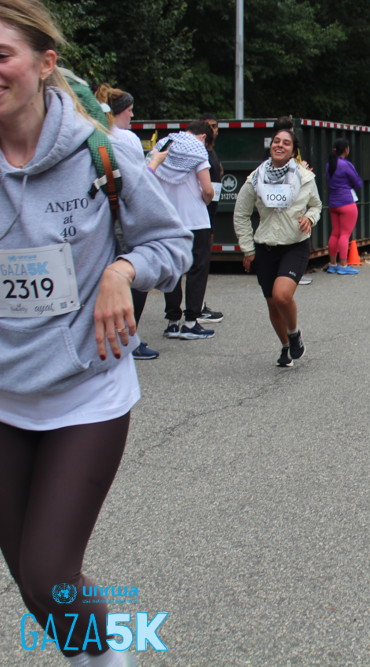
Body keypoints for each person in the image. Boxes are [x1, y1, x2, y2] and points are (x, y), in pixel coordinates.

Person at [0, 2, 192, 665]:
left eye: (2, 55)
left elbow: (172, 243)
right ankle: (93, 657)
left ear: (44, 63)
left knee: (49, 572)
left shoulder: (99, 153)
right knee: (33, 585)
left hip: (86, 391)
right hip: (4, 395)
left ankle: (110, 656)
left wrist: (122, 269)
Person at [233, 128, 321, 367]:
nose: (280, 145)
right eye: (276, 141)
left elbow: (316, 205)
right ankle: (285, 347)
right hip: (265, 247)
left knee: (282, 296)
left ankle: (294, 333)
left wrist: (310, 218)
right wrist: (248, 248)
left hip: (295, 245)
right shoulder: (255, 178)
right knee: (272, 303)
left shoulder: (305, 177)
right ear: (271, 146)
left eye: (286, 143)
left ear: (293, 151)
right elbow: (241, 214)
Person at [94, 83, 160, 361]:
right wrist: (156, 160)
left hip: (98, 221)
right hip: (124, 216)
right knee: (135, 279)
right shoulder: (126, 139)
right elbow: (140, 184)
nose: (132, 115)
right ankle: (129, 340)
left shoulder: (93, 134)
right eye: (130, 110)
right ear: (118, 111)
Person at [149, 120, 217, 341]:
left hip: (169, 219)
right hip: (195, 219)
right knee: (197, 269)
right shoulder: (197, 150)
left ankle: (172, 322)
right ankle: (191, 322)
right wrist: (206, 200)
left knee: (173, 270)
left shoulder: (164, 144)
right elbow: (207, 189)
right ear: (204, 137)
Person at [197, 113, 225, 323]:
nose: (211, 130)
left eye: (214, 126)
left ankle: (199, 304)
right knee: (197, 264)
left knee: (204, 262)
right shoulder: (198, 153)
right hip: (200, 215)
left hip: (210, 214)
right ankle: (194, 310)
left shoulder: (211, 151)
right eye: (207, 126)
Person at [324, 137, 363, 275]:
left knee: (335, 233)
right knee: (345, 235)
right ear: (346, 149)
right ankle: (343, 265)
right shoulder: (346, 165)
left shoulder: (329, 164)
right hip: (346, 202)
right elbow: (357, 183)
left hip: (333, 203)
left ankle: (332, 264)